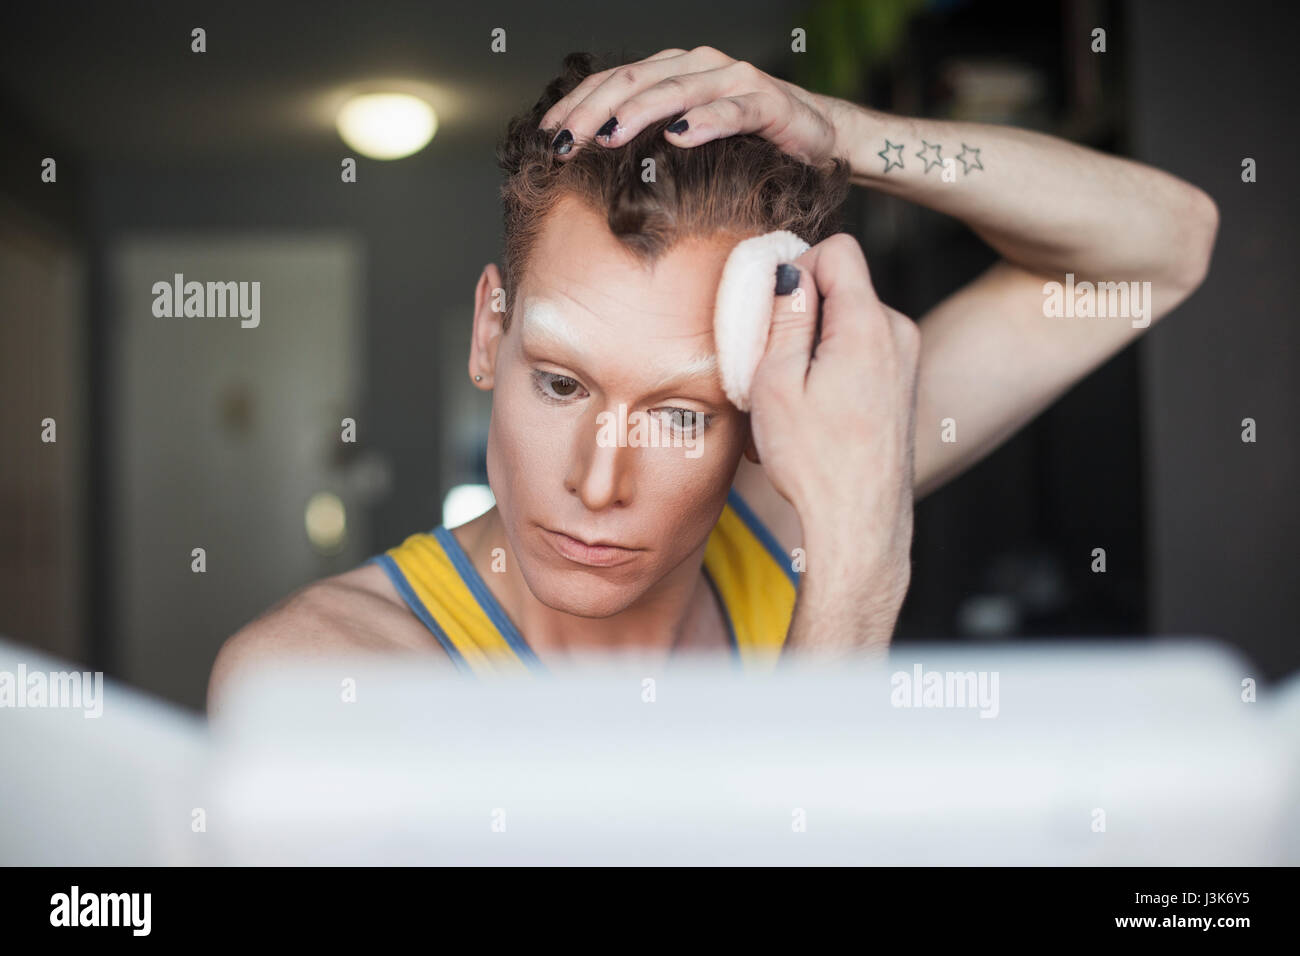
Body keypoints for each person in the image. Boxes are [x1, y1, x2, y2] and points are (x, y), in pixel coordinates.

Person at [208, 47, 1217, 706]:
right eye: (561, 383)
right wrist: (855, 585)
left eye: (681, 414)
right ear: (490, 332)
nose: (600, 483)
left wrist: (842, 134)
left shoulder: (784, 505)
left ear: (753, 398)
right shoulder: (325, 679)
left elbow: (1161, 246)